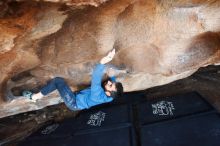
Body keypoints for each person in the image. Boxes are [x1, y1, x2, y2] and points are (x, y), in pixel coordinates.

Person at [22, 49, 123, 111]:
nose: (109, 82)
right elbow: (113, 85)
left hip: (73, 103)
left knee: (58, 81)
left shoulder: (98, 96)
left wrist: (102, 62)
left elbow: (96, 79)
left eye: (110, 85)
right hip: (80, 98)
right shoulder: (111, 96)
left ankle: (34, 97)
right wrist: (113, 77)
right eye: (112, 83)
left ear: (108, 93)